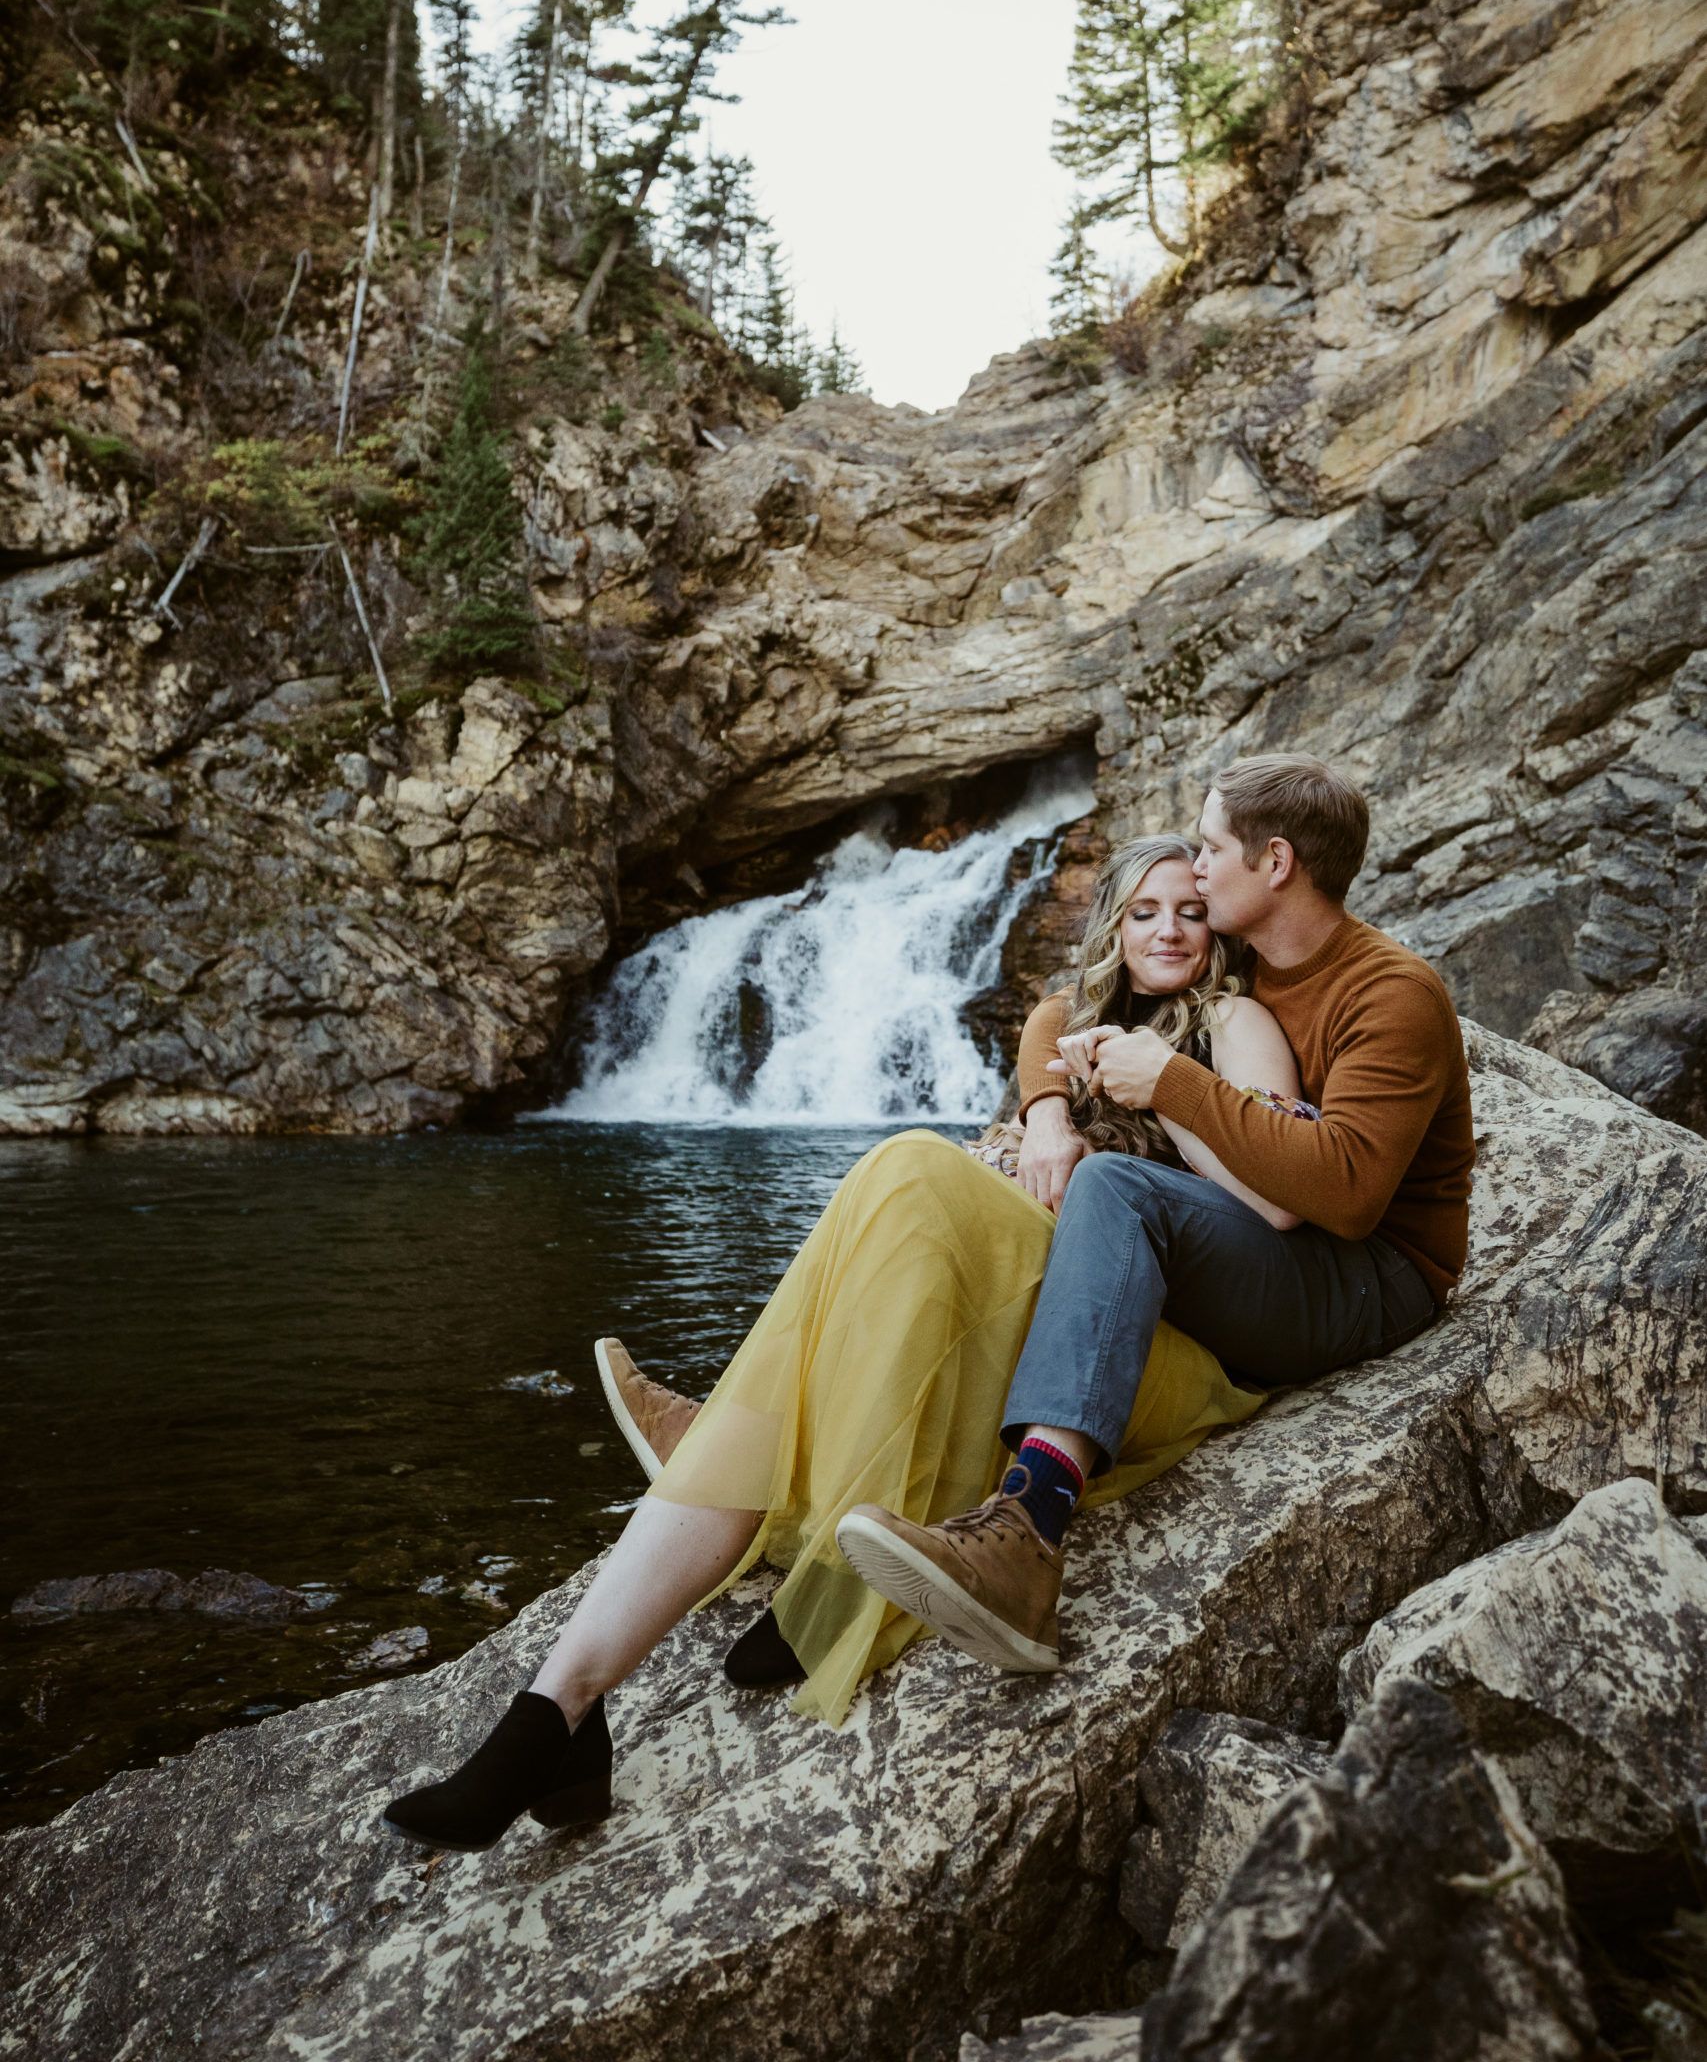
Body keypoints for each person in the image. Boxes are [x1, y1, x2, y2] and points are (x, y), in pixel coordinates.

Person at [380, 832, 1293, 1853]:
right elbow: (1045, 1030)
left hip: (1137, 1343)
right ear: (1113, 926)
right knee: (896, 1197)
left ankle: (787, 1500)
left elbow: (1269, 1204)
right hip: (1028, 1296)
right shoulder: (1073, 1022)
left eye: (1190, 910)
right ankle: (556, 1708)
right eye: (1143, 910)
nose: (1168, 928)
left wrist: (1161, 1086)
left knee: (907, 1170)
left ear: (1222, 930)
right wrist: (1045, 1116)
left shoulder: (1236, 1023)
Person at [833, 754, 1472, 1674]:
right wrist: (1048, 1113)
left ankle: (1029, 1529)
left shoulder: (1391, 993)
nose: (1197, 872)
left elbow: (1341, 1194)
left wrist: (1170, 1081)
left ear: (1277, 862)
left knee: (1113, 1188)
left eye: (1211, 848)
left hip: (1373, 1278)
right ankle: (779, 1438)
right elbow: (1066, 1008)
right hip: (1276, 1247)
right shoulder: (1249, 951)